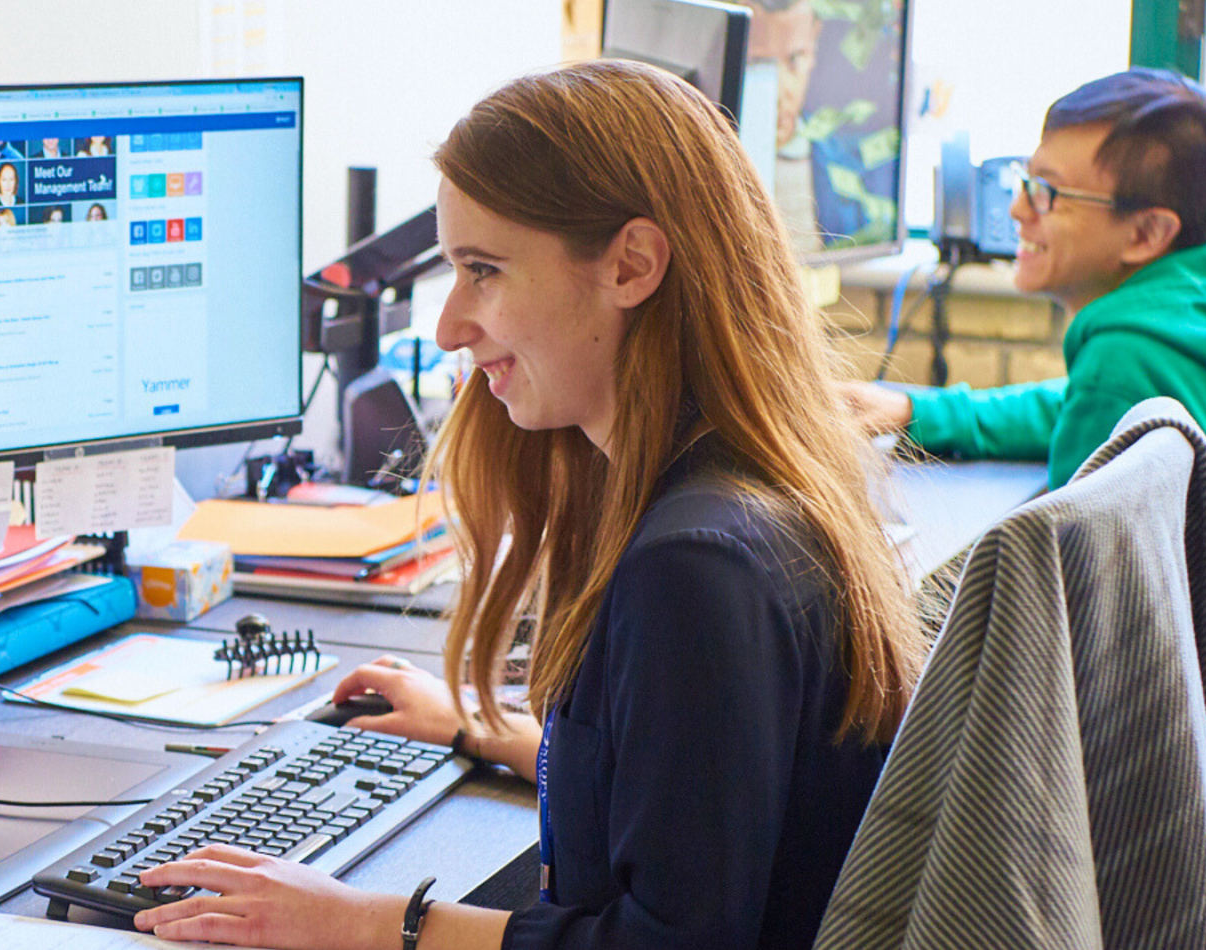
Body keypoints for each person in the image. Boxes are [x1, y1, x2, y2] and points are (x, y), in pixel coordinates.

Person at [135, 60, 920, 950]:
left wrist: (365, 923)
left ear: (631, 266)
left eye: (484, 271)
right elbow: (689, 788)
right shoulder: (747, 484)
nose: (449, 325)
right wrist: (500, 733)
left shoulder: (694, 564)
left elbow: (671, 944)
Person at [840, 68, 1206, 842]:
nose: (1015, 209)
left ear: (1146, 233)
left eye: (1047, 193)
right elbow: (1077, 403)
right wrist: (920, 409)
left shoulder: (1125, 363)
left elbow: (1059, 639)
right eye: (1023, 179)